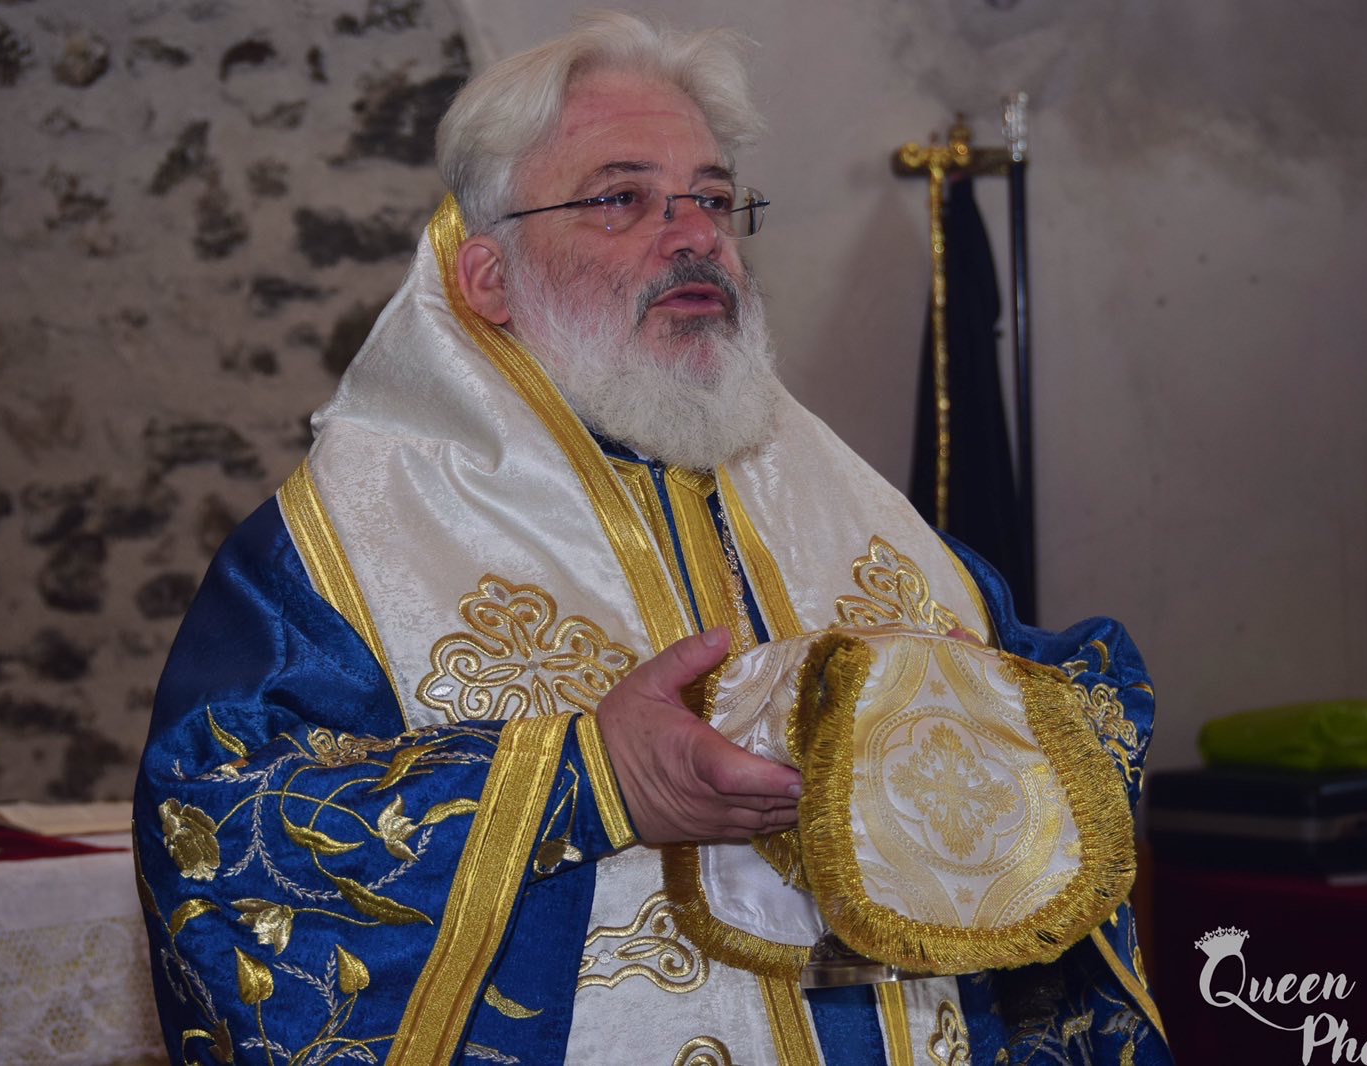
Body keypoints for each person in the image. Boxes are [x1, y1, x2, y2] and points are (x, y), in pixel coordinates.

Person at [134, 12, 1171, 1065]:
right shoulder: (342, 548)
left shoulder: (841, 504)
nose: (695, 236)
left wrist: (988, 720)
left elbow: (1076, 721)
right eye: (620, 199)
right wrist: (591, 779)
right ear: (488, 278)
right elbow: (218, 833)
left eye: (713, 198)